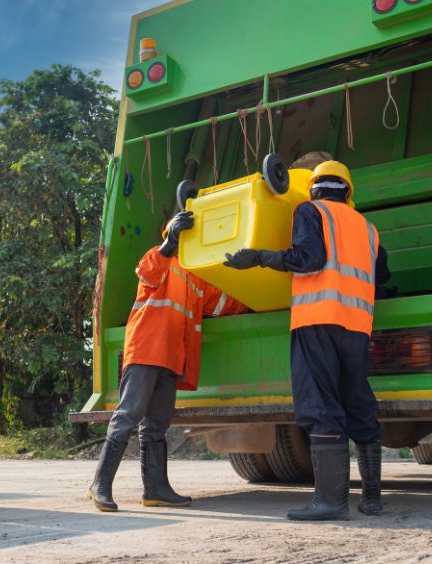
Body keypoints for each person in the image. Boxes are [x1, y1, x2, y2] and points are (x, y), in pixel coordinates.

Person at [224, 160, 390, 521]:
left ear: (313, 188)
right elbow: (382, 273)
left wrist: (260, 257)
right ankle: (373, 497)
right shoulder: (368, 228)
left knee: (321, 405)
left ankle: (330, 501)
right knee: (359, 402)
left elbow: (309, 259)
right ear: (348, 191)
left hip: (317, 320)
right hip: (357, 325)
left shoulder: (309, 211)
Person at [88, 210, 247, 512]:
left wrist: (246, 270)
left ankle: (156, 490)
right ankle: (100, 485)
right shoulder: (158, 259)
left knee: (157, 425)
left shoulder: (197, 278)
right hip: (147, 351)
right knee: (128, 415)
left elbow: (228, 303)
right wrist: (168, 243)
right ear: (171, 234)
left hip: (172, 359)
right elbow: (147, 271)